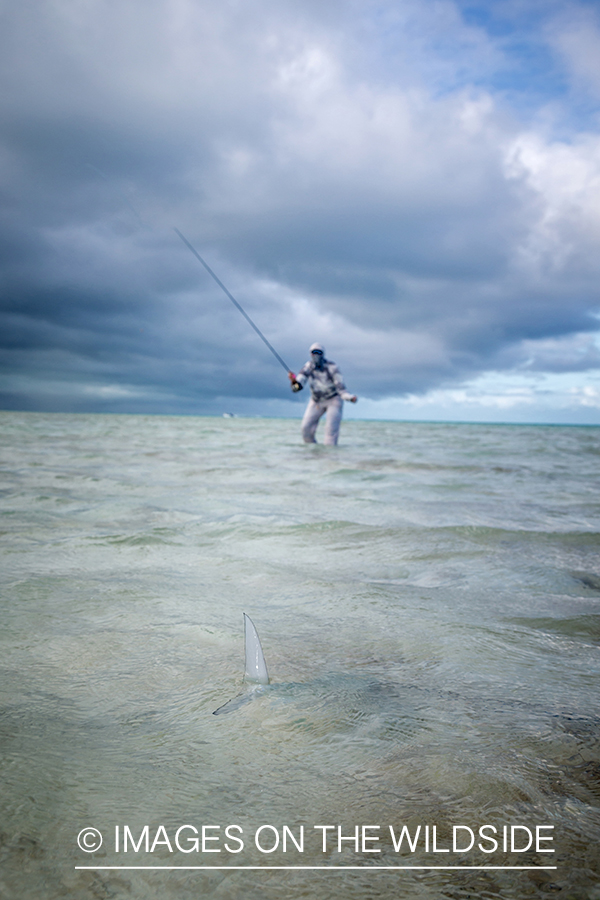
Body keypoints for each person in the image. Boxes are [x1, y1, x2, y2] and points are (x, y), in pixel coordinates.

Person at [288, 343, 357, 445]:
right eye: (313, 352)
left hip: (334, 400)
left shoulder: (333, 367)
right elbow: (297, 388)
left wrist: (350, 398)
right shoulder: (308, 367)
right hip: (316, 401)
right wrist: (293, 381)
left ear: (323, 354)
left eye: (318, 352)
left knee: (330, 431)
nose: (316, 355)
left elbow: (341, 390)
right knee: (305, 429)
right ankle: (312, 455)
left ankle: (330, 458)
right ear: (310, 354)